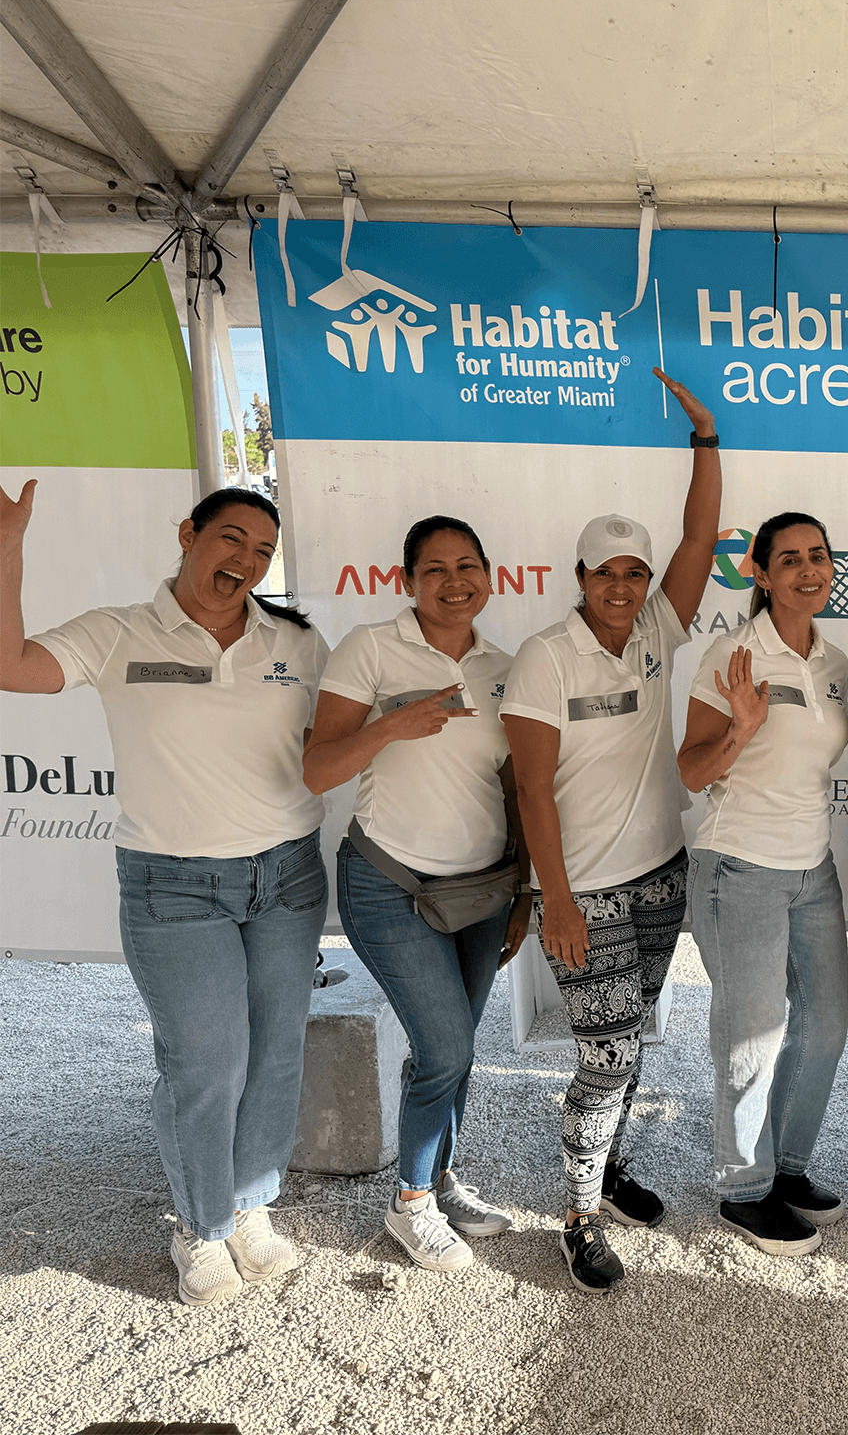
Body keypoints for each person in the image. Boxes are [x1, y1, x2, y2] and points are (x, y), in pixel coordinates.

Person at [1, 483, 328, 1307]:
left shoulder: (295, 641)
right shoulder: (117, 632)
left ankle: (250, 1203)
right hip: (174, 885)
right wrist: (8, 547)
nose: (246, 560)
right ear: (187, 535)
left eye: (262, 550)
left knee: (276, 1050)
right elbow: (11, 667)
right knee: (207, 1060)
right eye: (231, 538)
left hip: (287, 876)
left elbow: (331, 742)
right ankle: (202, 1226)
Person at [501, 369, 720, 1294]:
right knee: (609, 1054)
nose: (623, 586)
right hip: (583, 893)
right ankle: (579, 1217)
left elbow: (701, 537)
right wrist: (552, 899)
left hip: (661, 875)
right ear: (579, 578)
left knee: (631, 1044)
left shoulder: (660, 630)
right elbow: (531, 788)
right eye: (607, 573)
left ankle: (611, 1166)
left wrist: (705, 440)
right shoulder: (545, 657)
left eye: (635, 572)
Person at [302, 515, 532, 1273]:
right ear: (407, 582)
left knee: (452, 1050)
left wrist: (525, 888)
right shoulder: (370, 648)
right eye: (435, 569)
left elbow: (516, 786)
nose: (454, 581)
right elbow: (318, 768)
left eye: (468, 566)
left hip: (484, 890)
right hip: (389, 884)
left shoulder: (505, 666)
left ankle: (437, 1178)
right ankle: (410, 1204)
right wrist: (391, 726)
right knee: (446, 1047)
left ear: (489, 576)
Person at [678, 513, 848, 1257]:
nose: (808, 570)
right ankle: (744, 1191)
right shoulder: (734, 654)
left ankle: (786, 1168)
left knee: (826, 1025)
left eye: (818, 556)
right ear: (760, 572)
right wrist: (741, 728)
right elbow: (691, 771)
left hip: (813, 868)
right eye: (790, 559)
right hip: (740, 867)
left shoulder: (833, 661)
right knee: (751, 1037)